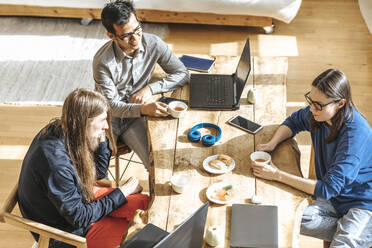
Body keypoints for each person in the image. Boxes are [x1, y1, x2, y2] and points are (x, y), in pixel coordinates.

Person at [250, 69, 372, 247]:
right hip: (335, 200)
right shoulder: (319, 115)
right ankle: (346, 230)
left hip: (363, 204)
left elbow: (327, 188)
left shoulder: (355, 134)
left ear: (340, 103)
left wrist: (277, 174)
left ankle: (358, 233)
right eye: (311, 101)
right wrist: (272, 143)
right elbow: (293, 122)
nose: (312, 108)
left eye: (319, 105)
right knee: (283, 216)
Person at [17, 89, 149, 248]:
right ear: (83, 122)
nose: (107, 126)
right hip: (65, 231)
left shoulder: (68, 131)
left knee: (144, 204)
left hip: (78, 198)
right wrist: (122, 192)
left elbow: (97, 173)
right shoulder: (56, 165)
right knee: (140, 233)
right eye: (102, 120)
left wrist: (101, 141)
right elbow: (80, 217)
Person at [93, 0, 189, 168]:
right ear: (111, 36)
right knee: (96, 170)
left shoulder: (154, 44)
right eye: (125, 35)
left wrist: (151, 88)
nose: (135, 38)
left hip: (136, 117)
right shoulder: (103, 62)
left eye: (137, 29)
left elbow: (182, 74)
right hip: (108, 120)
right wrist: (144, 109)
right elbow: (112, 106)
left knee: (157, 162)